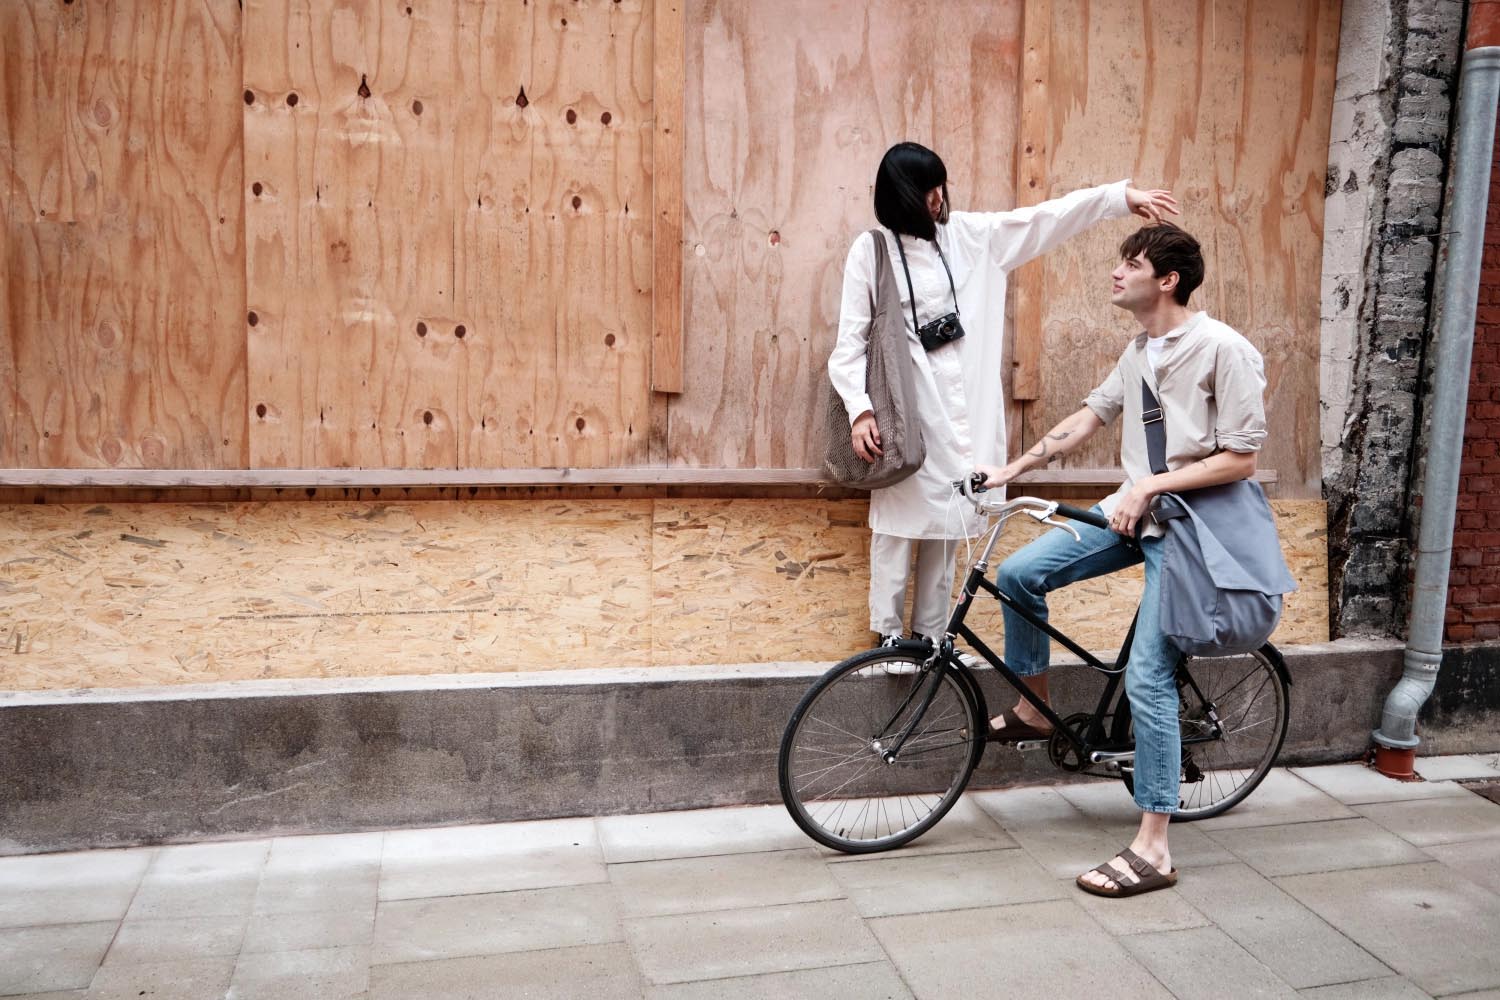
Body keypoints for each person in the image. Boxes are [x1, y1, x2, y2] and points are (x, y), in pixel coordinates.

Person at [974, 222, 1269, 897]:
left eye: (1130, 263)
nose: (1116, 273)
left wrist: (1150, 486)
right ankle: (1036, 708)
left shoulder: (1224, 349)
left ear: (1166, 279)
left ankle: (1155, 848)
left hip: (1195, 526)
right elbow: (1090, 416)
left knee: (1148, 678)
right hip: (1136, 508)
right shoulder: (1139, 349)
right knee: (1020, 573)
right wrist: (1011, 471)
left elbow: (1244, 456)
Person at [828, 141, 1177, 649]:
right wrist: (859, 411)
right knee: (897, 528)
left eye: (940, 188)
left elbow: (1043, 220)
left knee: (951, 528)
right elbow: (849, 342)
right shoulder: (873, 250)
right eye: (929, 190)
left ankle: (929, 639)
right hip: (905, 416)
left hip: (968, 414)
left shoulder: (971, 238)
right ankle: (886, 635)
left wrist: (1116, 197)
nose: (939, 198)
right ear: (904, 195)